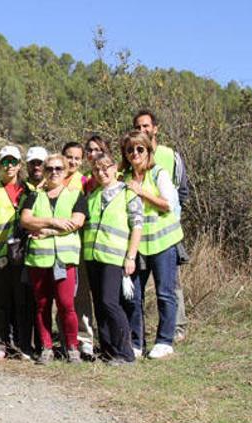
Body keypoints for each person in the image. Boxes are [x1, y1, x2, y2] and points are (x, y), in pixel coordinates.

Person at [121, 130, 184, 359]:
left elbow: (167, 204)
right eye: (130, 150)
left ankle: (165, 340)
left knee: (165, 293)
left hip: (163, 243)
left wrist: (142, 192)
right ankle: (136, 342)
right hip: (138, 246)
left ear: (148, 150)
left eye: (140, 149)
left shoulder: (159, 173)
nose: (135, 154)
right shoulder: (124, 177)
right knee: (134, 295)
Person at [20, 154, 88, 365]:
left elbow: (76, 222)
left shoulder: (76, 196)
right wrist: (52, 220)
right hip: (39, 261)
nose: (54, 172)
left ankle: (72, 347)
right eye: (49, 168)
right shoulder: (34, 196)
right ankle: (46, 348)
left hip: (64, 260)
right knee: (42, 305)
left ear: (67, 170)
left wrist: (48, 231)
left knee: (67, 305)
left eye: (59, 168)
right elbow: (25, 220)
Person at [133, 110, 190, 343]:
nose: (143, 129)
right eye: (138, 126)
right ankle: (138, 334)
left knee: (170, 284)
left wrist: (171, 217)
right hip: (140, 235)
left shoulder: (169, 156)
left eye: (146, 125)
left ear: (155, 128)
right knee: (137, 289)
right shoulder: (131, 157)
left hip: (166, 233)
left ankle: (177, 327)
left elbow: (183, 191)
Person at [83, 153, 142, 365]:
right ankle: (108, 351)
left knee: (110, 303)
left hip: (114, 257)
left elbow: (137, 226)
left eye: (106, 167)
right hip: (92, 257)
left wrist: (131, 256)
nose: (102, 172)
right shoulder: (93, 195)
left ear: (115, 167)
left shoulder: (127, 193)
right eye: (97, 170)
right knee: (99, 304)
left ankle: (125, 352)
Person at [0, 145, 35, 360]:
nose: (9, 166)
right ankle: (0, 343)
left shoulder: (29, 190)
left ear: (20, 165)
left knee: (22, 301)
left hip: (24, 253)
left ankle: (22, 345)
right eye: (5, 162)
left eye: (13, 162)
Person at [62, 141, 96, 358]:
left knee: (80, 294)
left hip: (79, 245)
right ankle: (66, 338)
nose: (72, 161)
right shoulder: (52, 178)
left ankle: (85, 339)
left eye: (77, 158)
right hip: (55, 247)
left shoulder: (84, 182)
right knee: (62, 295)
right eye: (69, 156)